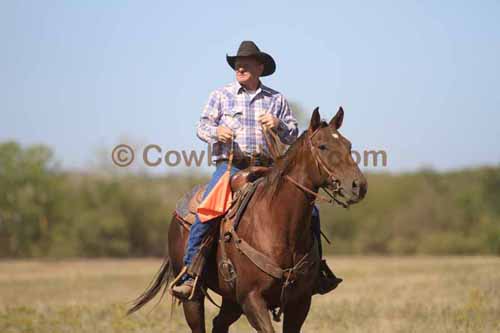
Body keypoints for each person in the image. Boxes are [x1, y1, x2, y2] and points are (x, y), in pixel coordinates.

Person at [172, 41, 341, 299]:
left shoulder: (276, 99)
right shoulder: (220, 95)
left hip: (269, 168)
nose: (240, 66)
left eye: (247, 62)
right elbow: (201, 126)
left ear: (260, 67)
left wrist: (277, 124)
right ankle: (190, 272)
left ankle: (316, 271)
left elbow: (293, 135)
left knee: (312, 211)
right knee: (207, 210)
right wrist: (216, 132)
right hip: (231, 167)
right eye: (237, 63)